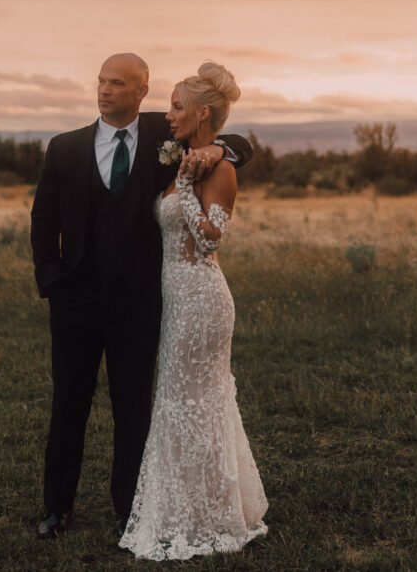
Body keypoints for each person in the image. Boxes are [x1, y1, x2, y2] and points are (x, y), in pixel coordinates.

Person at [29, 53, 253, 539]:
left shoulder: (163, 134)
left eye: (116, 83)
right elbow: (43, 221)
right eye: (100, 82)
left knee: (134, 408)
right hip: (75, 304)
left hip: (139, 304)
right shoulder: (64, 148)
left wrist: (221, 152)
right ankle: (56, 507)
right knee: (69, 403)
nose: (104, 90)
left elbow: (235, 140)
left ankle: (127, 507)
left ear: (140, 91)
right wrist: (53, 282)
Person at [118, 62, 268, 560]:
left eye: (178, 107)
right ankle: (191, 507)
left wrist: (184, 184)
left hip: (202, 301)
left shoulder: (217, 168)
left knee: (194, 404)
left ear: (202, 113)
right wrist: (186, 168)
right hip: (176, 299)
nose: (169, 114)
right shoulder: (187, 155)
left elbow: (209, 240)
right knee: (183, 405)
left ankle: (208, 515)